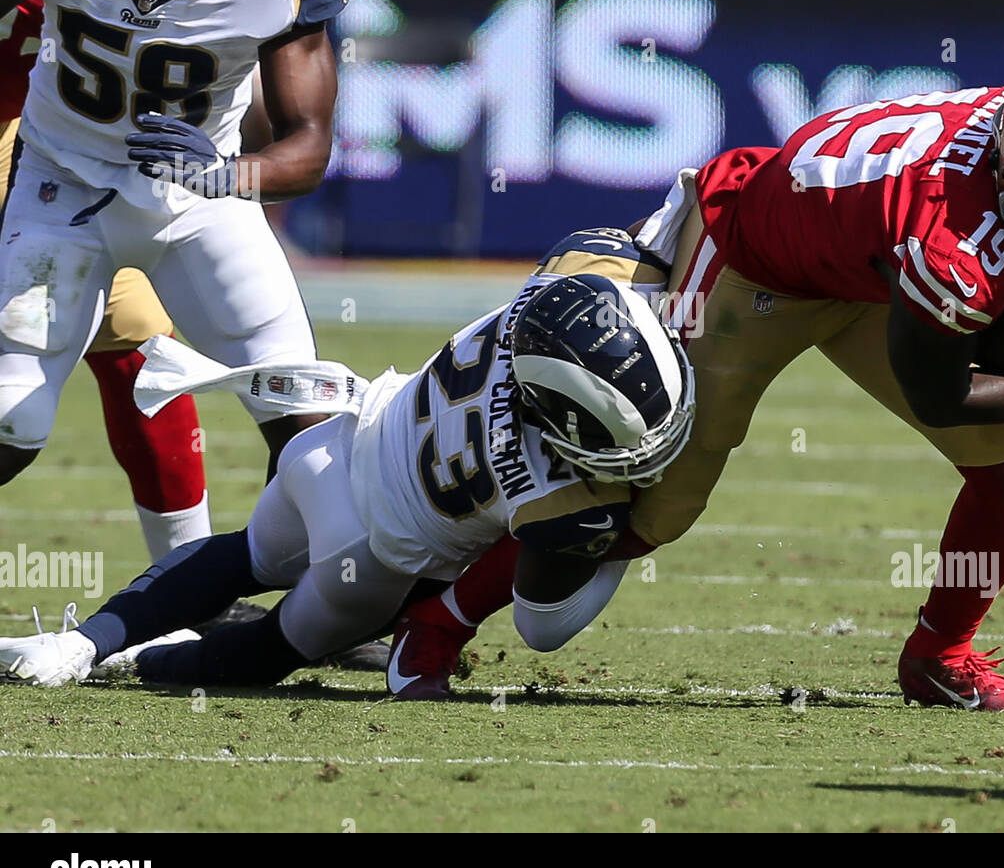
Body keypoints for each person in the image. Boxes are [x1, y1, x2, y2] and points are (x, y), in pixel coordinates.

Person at [393, 41, 1004, 712]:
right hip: (753, 270)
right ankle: (436, 617)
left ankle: (939, 658)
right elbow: (941, 392)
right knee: (653, 506)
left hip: (866, 263)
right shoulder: (948, 236)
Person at [0, 234, 695, 691]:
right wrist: (634, 532)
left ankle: (82, 643)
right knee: (271, 650)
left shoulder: (565, 281)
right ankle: (135, 663)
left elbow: (606, 252)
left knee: (243, 555)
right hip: (366, 551)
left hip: (337, 440)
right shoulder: (559, 501)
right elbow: (544, 624)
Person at [0, 0, 352, 500]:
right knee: (14, 419)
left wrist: (228, 177)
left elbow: (309, 147)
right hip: (60, 181)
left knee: (313, 435)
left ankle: (278, 598)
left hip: (200, 201)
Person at [0, 0, 213, 563]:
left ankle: (185, 583)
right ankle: (186, 585)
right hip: (29, 129)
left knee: (145, 352)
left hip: (57, 136)